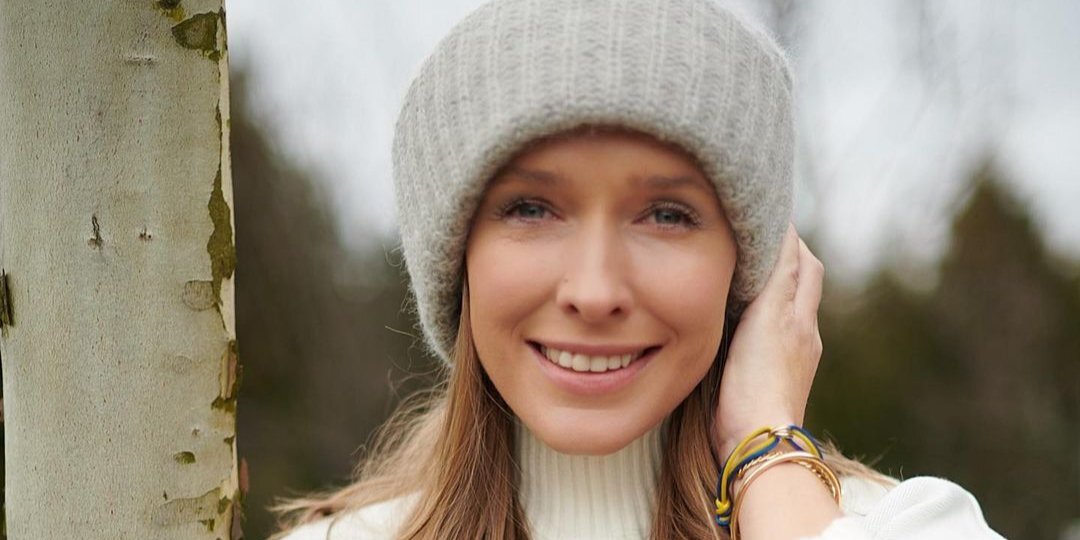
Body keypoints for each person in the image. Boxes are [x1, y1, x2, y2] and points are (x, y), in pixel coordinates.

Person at [271, 0, 1006, 538]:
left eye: (667, 215)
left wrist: (766, 449)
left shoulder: (910, 526)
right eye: (531, 208)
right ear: (454, 259)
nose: (594, 292)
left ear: (752, 268)